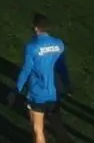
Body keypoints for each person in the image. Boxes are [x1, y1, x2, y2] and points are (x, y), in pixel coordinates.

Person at [10, 13, 71, 143]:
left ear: (36, 27)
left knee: (37, 129)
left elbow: (26, 70)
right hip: (53, 93)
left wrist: (16, 90)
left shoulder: (32, 47)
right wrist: (67, 85)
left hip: (37, 94)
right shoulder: (59, 44)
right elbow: (62, 68)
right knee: (58, 126)